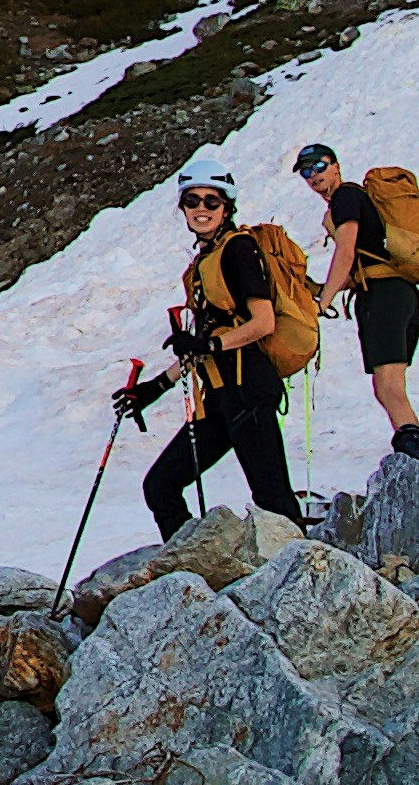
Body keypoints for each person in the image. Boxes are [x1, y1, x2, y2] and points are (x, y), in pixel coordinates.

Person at [118, 172, 302, 535]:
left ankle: (305, 580)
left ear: (226, 207)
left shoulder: (238, 249)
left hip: (248, 386)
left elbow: (263, 322)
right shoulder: (206, 260)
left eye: (211, 201)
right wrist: (155, 387)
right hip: (219, 396)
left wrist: (209, 345)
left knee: (273, 499)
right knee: (161, 487)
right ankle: (191, 570)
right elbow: (204, 337)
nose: (201, 209)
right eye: (192, 201)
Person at [293, 139, 419, 465]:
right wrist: (322, 288)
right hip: (401, 296)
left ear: (336, 166)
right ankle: (416, 462)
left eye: (320, 166)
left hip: (382, 298)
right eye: (307, 172)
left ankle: (416, 466)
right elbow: (357, 264)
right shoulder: (355, 199)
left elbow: (346, 250)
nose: (314, 176)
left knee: (387, 386)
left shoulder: (345, 198)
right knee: (390, 386)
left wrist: (324, 300)